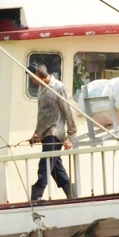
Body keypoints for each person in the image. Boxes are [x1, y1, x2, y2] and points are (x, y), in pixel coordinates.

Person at [28, 64, 78, 201]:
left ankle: (36, 196)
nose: (33, 81)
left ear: (42, 75)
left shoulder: (59, 88)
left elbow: (68, 112)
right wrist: (37, 133)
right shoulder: (41, 88)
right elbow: (42, 114)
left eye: (33, 78)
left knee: (45, 164)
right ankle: (72, 196)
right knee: (56, 168)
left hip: (55, 133)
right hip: (45, 134)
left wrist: (70, 137)